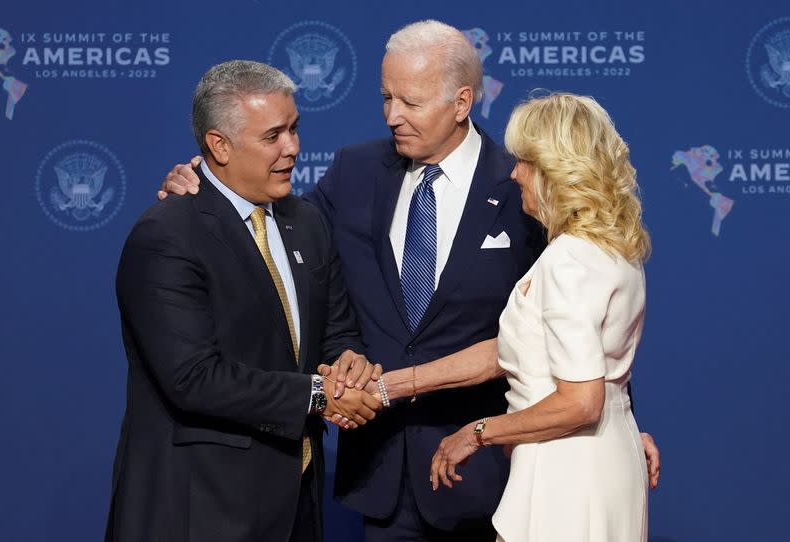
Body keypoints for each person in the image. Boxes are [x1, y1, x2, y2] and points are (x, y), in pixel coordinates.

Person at [160, 21, 659, 542]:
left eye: (411, 102)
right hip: (382, 471)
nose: (392, 116)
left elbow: (579, 316)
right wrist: (209, 188)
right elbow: (277, 236)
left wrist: (615, 419)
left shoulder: (524, 183)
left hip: (490, 475)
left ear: (462, 102)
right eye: (386, 97)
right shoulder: (354, 172)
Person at [106, 60, 382, 542]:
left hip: (296, 505)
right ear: (219, 146)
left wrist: (349, 365)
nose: (293, 148)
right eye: (273, 136)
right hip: (202, 511)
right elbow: (193, 378)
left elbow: (336, 331)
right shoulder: (167, 235)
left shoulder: (308, 222)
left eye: (295, 129)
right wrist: (321, 396)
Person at [400, 92, 651, 541]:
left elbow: (580, 402)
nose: (514, 173)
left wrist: (477, 432)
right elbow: (517, 351)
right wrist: (395, 385)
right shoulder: (613, 249)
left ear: (557, 171)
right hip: (602, 461)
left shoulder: (570, 259)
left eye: (525, 162)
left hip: (564, 473)